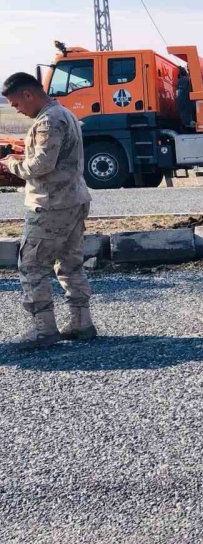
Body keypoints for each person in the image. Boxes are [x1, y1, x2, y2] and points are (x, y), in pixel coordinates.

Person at [0, 72, 95, 350]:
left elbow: (42, 165)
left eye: (16, 103)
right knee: (70, 264)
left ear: (28, 94)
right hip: (73, 200)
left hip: (51, 205)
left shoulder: (48, 120)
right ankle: (81, 323)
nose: (16, 109)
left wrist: (10, 165)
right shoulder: (63, 113)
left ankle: (43, 331)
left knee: (32, 266)